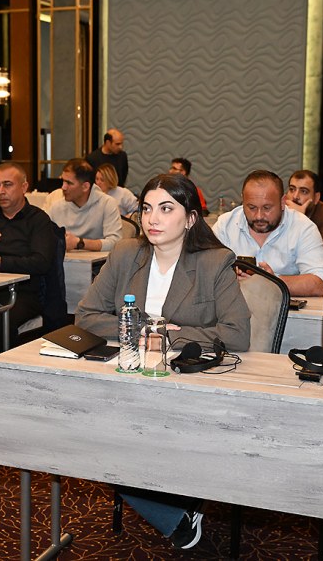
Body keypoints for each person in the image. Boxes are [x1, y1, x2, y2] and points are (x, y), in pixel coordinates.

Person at [76, 173, 250, 549]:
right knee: (87, 436)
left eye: (166, 209)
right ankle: (175, 505)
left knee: (123, 439)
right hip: (127, 378)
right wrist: (145, 329)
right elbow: (86, 316)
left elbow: (237, 334)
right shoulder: (126, 254)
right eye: (147, 209)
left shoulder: (215, 261)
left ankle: (175, 504)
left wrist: (169, 336)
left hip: (187, 385)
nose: (152, 219)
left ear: (190, 219)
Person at [0, 162, 56, 353]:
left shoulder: (38, 219)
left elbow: (41, 263)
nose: (1, 191)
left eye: (7, 185)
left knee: (0, 320)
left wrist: (0, 262)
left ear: (24, 187)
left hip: (23, 293)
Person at [212, 170, 323, 297]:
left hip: (285, 308)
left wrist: (274, 281)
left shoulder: (303, 227)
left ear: (282, 202)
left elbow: (321, 282)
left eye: (267, 208)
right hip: (233, 306)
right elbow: (204, 273)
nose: (259, 216)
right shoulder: (225, 225)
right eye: (251, 207)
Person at [44, 158, 122, 252]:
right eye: (63, 181)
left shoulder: (107, 204)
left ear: (85, 187)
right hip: (65, 260)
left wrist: (79, 243)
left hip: (97, 261)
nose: (63, 187)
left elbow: (115, 243)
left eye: (69, 183)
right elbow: (41, 236)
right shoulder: (56, 206)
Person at [285, 169, 323, 262]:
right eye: (292, 189)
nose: (295, 196)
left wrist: (300, 219)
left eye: (303, 191)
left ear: (316, 198)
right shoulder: (279, 210)